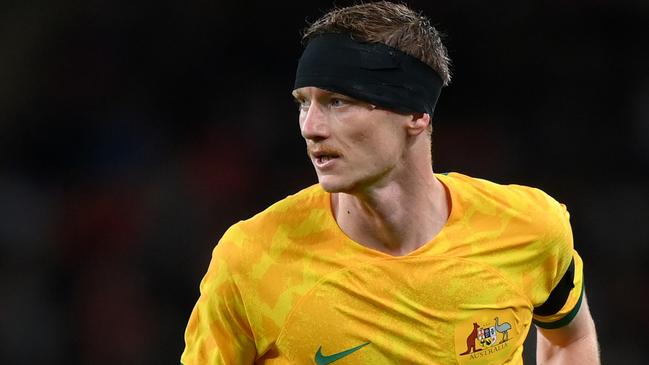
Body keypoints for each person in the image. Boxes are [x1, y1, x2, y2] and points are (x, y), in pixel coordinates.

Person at [181, 2, 600, 364]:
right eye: (303, 103)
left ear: (417, 114)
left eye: (337, 102)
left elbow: (571, 338)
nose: (310, 127)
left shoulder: (529, 227)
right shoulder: (251, 259)